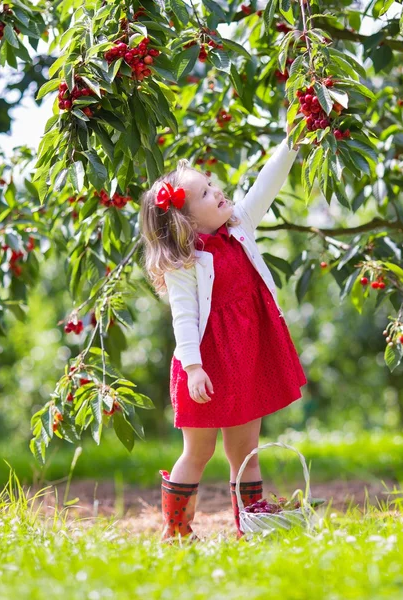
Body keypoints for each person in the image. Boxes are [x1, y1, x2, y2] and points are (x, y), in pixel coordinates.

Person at [139, 128, 307, 543]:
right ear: (185, 220)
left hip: (247, 356)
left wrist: (292, 144)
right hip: (205, 366)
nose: (217, 192)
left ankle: (249, 525)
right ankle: (176, 531)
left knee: (246, 452)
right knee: (198, 451)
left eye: (211, 185)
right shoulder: (185, 264)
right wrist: (193, 368)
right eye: (204, 193)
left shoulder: (241, 226)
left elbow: (266, 184)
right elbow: (184, 319)